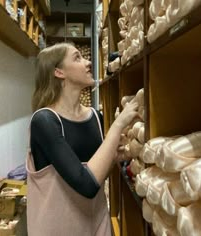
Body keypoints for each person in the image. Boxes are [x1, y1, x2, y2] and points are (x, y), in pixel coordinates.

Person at [26, 42, 138, 236]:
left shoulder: (95, 117)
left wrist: (113, 157)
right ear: (59, 72)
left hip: (96, 225)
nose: (88, 63)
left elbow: (95, 169)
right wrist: (118, 124)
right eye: (77, 58)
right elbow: (86, 184)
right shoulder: (44, 121)